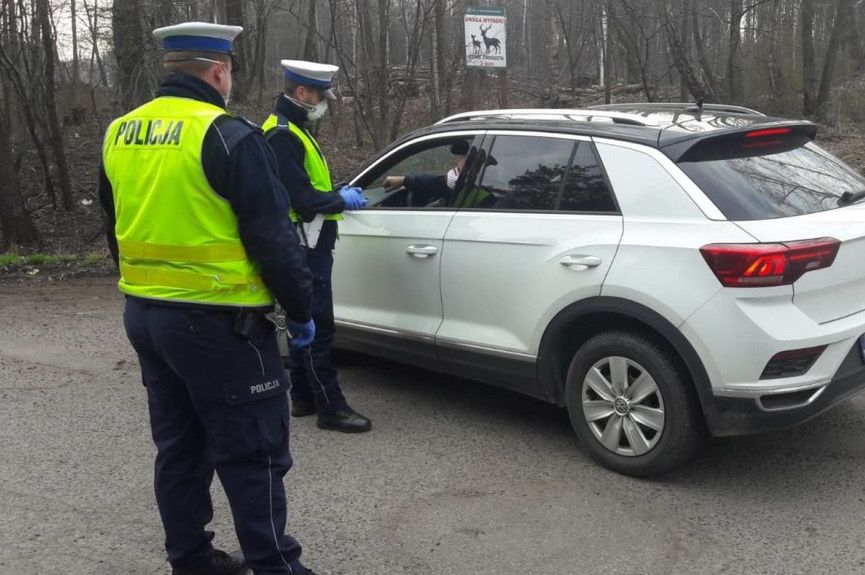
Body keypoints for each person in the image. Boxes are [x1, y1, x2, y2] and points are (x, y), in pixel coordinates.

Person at [98, 22, 318, 575]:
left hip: (145, 315)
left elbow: (113, 224)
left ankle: (191, 561)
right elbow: (272, 238)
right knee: (254, 452)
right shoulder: (227, 135)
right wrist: (301, 310)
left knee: (180, 447)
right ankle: (277, 567)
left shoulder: (120, 131)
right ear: (219, 71)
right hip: (220, 326)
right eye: (230, 72)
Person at [262, 60, 372, 433]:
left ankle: (304, 397)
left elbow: (306, 187)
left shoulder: (293, 129)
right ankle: (331, 407)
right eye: (321, 95)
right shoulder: (282, 135)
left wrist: (335, 192)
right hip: (305, 243)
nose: (325, 102)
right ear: (302, 93)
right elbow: (302, 199)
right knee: (316, 325)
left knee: (301, 322)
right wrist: (341, 201)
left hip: (309, 239)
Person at [382, 140, 469, 207]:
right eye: (459, 158)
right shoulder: (468, 188)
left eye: (464, 158)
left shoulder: (473, 194)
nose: (458, 164)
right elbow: (436, 183)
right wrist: (405, 180)